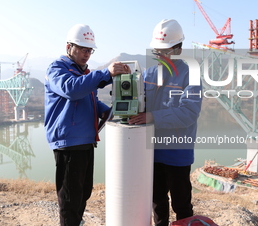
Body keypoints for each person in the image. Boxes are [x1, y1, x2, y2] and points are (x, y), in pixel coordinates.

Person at [44, 23, 130, 226]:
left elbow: (88, 99)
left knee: (83, 193)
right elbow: (72, 90)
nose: (87, 54)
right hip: (68, 143)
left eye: (90, 50)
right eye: (83, 49)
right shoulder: (58, 69)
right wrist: (105, 74)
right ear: (69, 47)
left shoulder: (83, 73)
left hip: (85, 142)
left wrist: (110, 110)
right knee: (70, 199)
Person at [128, 19, 203, 226]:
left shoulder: (190, 75)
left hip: (178, 153)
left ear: (178, 49)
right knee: (157, 203)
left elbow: (189, 112)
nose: (160, 56)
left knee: (182, 207)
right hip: (151, 153)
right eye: (157, 51)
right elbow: (137, 105)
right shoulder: (148, 75)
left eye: (165, 51)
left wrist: (153, 116)